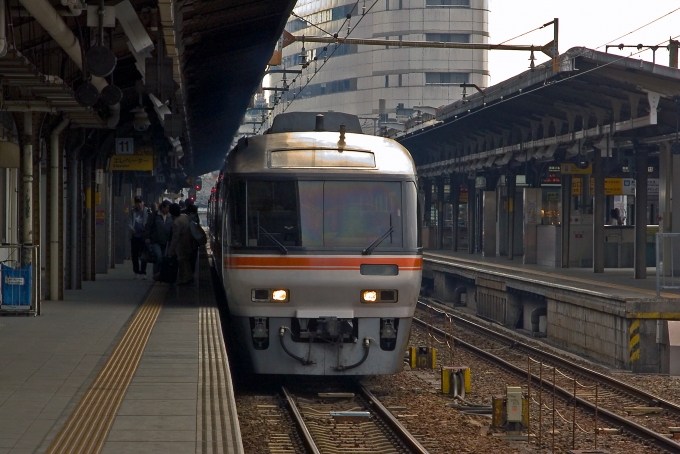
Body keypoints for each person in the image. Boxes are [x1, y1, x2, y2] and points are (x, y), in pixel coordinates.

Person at [167, 203, 198, 285]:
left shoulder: (176, 222)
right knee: (186, 261)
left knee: (182, 262)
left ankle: (184, 279)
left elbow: (175, 238)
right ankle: (189, 277)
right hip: (189, 242)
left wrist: (171, 250)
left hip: (181, 245)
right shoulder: (185, 217)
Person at [145, 200, 173, 280]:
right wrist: (147, 237)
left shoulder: (170, 217)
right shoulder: (154, 216)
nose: (168, 210)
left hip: (165, 241)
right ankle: (155, 273)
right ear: (162, 207)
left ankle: (161, 273)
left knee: (163, 257)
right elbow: (148, 227)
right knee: (158, 256)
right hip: (155, 240)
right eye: (167, 208)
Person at [127, 196, 149, 279]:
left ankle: (143, 272)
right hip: (135, 236)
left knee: (144, 255)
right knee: (135, 255)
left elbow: (149, 223)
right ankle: (136, 271)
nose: (139, 204)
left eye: (140, 202)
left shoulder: (147, 211)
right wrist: (131, 229)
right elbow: (128, 221)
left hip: (143, 236)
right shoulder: (132, 212)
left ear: (143, 203)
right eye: (137, 203)